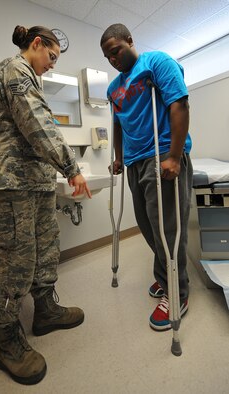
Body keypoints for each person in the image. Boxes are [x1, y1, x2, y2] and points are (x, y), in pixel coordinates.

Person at [0, 25, 91, 385]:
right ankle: (6, 340)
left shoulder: (32, 78)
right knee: (14, 261)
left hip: (35, 183)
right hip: (9, 182)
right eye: (52, 56)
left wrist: (57, 171)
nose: (53, 65)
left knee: (44, 250)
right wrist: (72, 168)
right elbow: (37, 123)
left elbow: (43, 128)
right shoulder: (15, 69)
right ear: (36, 44)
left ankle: (45, 310)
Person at [100, 24, 193, 332]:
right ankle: (165, 274)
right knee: (148, 225)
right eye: (107, 56)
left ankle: (176, 292)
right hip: (135, 161)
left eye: (116, 51)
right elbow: (116, 124)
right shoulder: (113, 88)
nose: (112, 59)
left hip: (162, 155)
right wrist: (117, 156)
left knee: (168, 227)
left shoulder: (156, 63)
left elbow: (179, 104)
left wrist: (174, 157)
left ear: (130, 41)